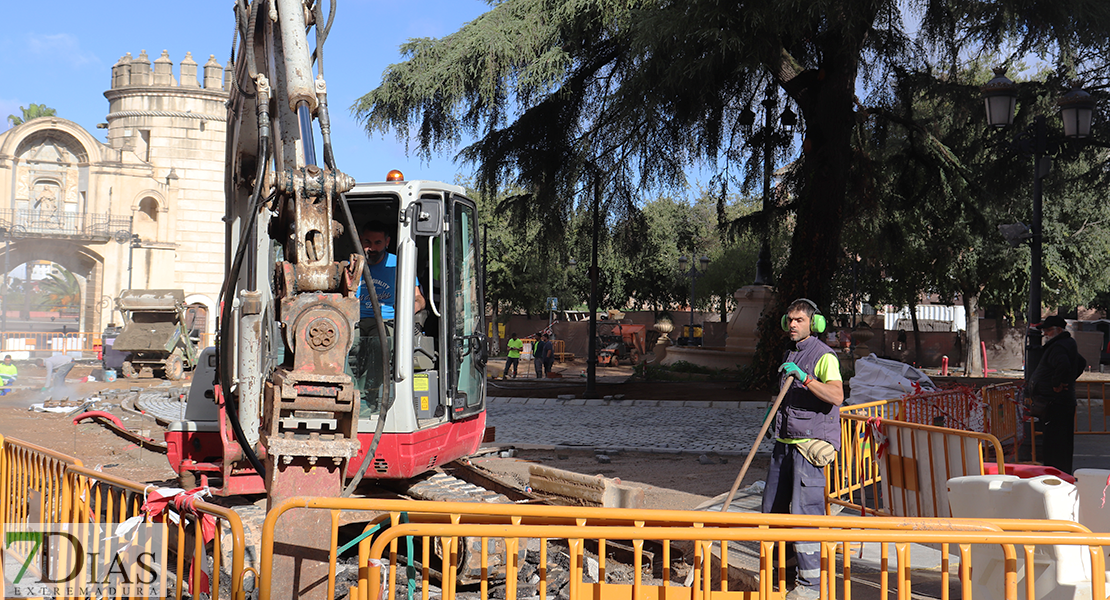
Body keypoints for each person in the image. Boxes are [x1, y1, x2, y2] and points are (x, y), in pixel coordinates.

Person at [762, 298, 844, 600]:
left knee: (803, 512)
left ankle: (811, 585)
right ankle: (782, 573)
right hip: (784, 444)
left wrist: (806, 378)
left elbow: (836, 395)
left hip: (809, 448)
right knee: (772, 511)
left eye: (799, 320)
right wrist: (775, 411)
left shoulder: (824, 356)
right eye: (790, 320)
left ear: (815, 323)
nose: (793, 325)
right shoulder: (790, 353)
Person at [351, 220, 426, 415]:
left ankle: (371, 398)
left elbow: (419, 298)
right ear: (360, 240)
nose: (372, 248)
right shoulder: (353, 265)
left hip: (385, 321)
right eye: (367, 242)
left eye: (377, 243)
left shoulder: (399, 264)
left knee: (379, 343)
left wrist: (411, 307)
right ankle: (349, 394)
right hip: (355, 320)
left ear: (387, 242)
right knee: (343, 343)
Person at [1027, 314, 1086, 474]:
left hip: (1055, 402)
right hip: (1061, 402)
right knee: (1062, 443)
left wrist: (1056, 385)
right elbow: (1079, 363)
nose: (1045, 334)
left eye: (1048, 330)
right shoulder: (1067, 344)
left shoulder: (1059, 346)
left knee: (1054, 443)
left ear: (1058, 330)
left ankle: (1055, 473)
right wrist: (1068, 379)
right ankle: (1061, 472)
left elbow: (1064, 365)